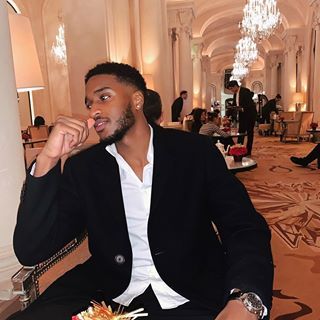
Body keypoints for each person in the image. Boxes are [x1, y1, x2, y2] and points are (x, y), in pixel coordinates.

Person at [12, 62, 273, 320]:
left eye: (104, 97)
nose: (94, 112)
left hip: (192, 290)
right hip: (107, 293)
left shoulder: (195, 153)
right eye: (89, 104)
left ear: (137, 100)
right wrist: (48, 158)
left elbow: (243, 227)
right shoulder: (85, 168)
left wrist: (246, 298)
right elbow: (32, 250)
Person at [227, 80, 257, 156]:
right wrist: (229, 113)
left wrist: (242, 108)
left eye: (231, 89)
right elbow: (234, 104)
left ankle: (248, 151)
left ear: (235, 86)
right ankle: (239, 150)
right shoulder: (235, 94)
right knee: (241, 133)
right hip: (242, 115)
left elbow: (250, 104)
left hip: (250, 115)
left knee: (250, 134)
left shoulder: (245, 91)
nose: (231, 91)